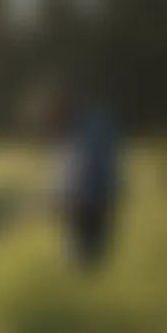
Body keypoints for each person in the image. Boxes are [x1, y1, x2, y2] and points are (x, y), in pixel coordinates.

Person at [51, 83, 122, 270]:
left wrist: (65, 195)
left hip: (88, 196)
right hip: (98, 194)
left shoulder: (83, 127)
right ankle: (88, 270)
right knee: (92, 244)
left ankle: (86, 272)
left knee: (86, 246)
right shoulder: (96, 122)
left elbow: (82, 165)